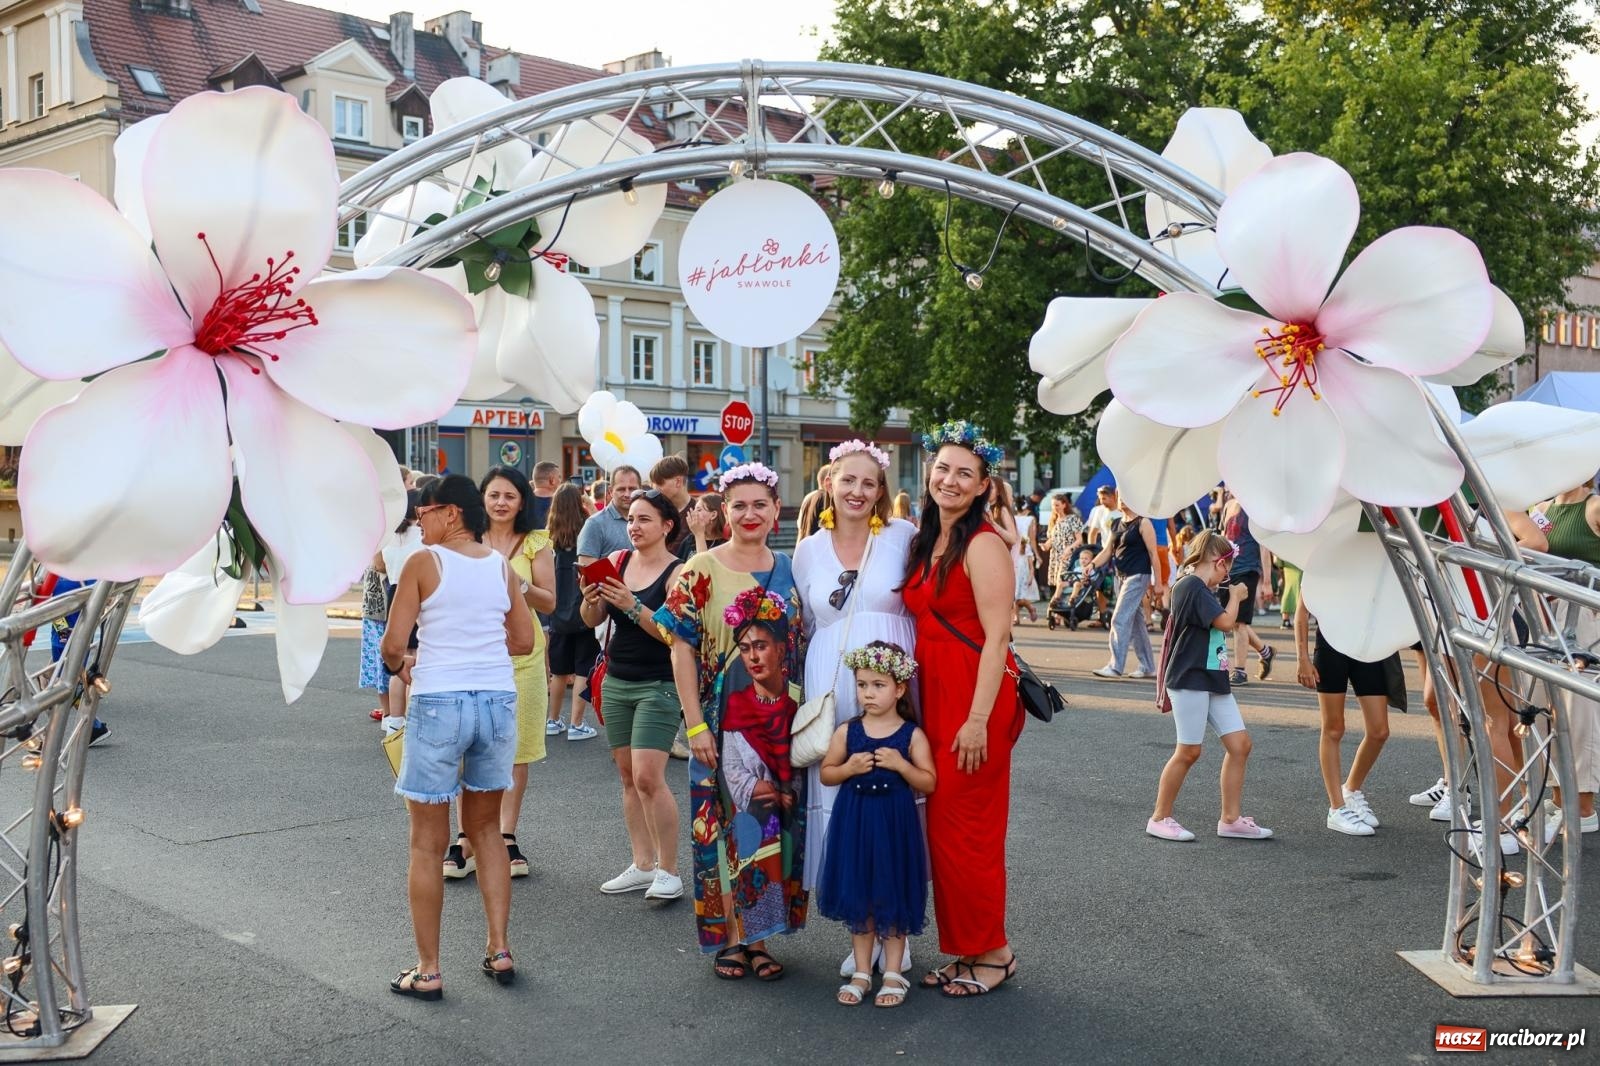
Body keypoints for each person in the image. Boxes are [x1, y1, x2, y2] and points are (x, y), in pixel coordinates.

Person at [381, 474, 535, 998]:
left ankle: (428, 970)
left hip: (439, 700)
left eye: (423, 511)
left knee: (428, 843)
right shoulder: (500, 567)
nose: (417, 519)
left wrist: (405, 663)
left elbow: (391, 643)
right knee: (487, 831)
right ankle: (499, 948)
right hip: (494, 700)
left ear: (450, 513)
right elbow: (523, 638)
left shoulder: (423, 564)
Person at [657, 461, 807, 981]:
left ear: (775, 511)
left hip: (777, 724)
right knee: (726, 827)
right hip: (720, 723)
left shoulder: (790, 568)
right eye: (739, 505)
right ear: (724, 511)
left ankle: (762, 936)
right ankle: (733, 938)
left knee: (770, 827)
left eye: (759, 505)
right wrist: (694, 726)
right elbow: (679, 648)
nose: (750, 514)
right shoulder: (701, 568)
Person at [900, 422, 1020, 998]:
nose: (950, 480)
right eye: (943, 468)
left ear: (981, 486)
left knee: (970, 829)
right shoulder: (929, 538)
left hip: (977, 702)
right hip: (938, 698)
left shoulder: (983, 543)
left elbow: (999, 638)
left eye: (963, 474)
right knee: (945, 830)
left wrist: (976, 719)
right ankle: (969, 945)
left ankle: (994, 952)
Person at [792, 439, 918, 975]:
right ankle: (860, 933)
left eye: (869, 483)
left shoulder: (902, 537)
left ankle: (897, 930)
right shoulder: (806, 550)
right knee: (846, 806)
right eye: (848, 480)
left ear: (881, 490)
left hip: (893, 682)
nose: (858, 492)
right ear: (829, 483)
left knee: (892, 804)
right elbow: (808, 623)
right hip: (832, 679)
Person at [580, 489, 687, 900]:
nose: (635, 527)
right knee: (627, 777)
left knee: (648, 776)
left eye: (644, 519)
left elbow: (672, 634)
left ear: (666, 526)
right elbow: (591, 619)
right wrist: (593, 601)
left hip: (659, 682)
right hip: (616, 679)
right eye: (631, 520)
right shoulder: (619, 562)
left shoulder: (679, 572)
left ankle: (670, 870)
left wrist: (631, 603)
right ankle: (643, 864)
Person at [450, 466, 556, 878]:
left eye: (509, 496)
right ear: (482, 499)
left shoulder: (536, 543)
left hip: (525, 658)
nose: (500, 502)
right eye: (493, 495)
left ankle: (506, 835)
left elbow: (549, 603)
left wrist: (517, 583)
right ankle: (466, 837)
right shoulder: (466, 541)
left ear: (522, 501)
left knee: (517, 750)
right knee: (469, 747)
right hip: (473, 656)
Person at [817, 641, 935, 1009]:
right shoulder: (847, 732)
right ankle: (863, 971)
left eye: (878, 685)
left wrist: (902, 766)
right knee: (860, 897)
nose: (868, 692)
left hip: (894, 828)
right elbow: (826, 774)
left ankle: (894, 972)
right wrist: (848, 768)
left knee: (893, 896)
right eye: (862, 684)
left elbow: (929, 781)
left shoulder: (911, 735)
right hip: (855, 825)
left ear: (899, 689)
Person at [1148, 531, 1272, 843]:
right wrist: (1235, 597)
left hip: (1211, 677)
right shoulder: (1190, 585)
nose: (1228, 575)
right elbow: (1226, 623)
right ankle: (1159, 817)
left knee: (1240, 745)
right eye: (1227, 568)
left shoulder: (1198, 587)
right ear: (1217, 562)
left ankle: (1230, 819)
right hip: (1190, 677)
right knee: (1188, 751)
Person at [1532, 483, 1600, 833]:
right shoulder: (1541, 508)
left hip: (1586, 620)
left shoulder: (1594, 507)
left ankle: (1583, 808)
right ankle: (1561, 801)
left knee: (1580, 713)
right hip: (1546, 619)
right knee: (1547, 710)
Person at [1294, 599, 1393, 836]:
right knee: (1333, 728)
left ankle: (1350, 789)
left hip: (1368, 647)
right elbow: (1301, 613)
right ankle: (1336, 808)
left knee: (1380, 731)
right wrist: (1302, 658)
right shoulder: (1321, 563)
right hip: (1331, 647)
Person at [545, 484, 601, 741]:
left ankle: (552, 719)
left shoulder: (550, 538)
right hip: (583, 608)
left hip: (557, 612)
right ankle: (577, 724)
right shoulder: (586, 534)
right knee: (582, 670)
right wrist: (591, 508)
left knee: (558, 671)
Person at [1091, 497, 1163, 679]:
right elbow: (1107, 551)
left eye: (1127, 496)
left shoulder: (1143, 522)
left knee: (1119, 619)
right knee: (1137, 623)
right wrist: (1091, 565)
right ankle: (1147, 667)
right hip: (1120, 577)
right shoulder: (1116, 523)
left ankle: (1115, 666)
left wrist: (1159, 583)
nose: (1123, 500)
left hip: (1138, 575)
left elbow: (1154, 554)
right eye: (1121, 496)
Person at [1219, 491, 1276, 683]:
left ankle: (1240, 671)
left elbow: (1264, 547)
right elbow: (1222, 538)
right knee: (1231, 620)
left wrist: (1266, 582)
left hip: (1248, 569)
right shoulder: (1228, 505)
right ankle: (1265, 652)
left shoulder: (1254, 507)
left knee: (1240, 622)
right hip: (1228, 571)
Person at [578, 466, 643, 564]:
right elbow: (587, 573)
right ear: (610, 491)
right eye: (621, 489)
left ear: (640, 490)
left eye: (632, 489)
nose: (627, 494)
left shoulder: (649, 521)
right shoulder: (595, 524)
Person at [648, 454, 696, 560]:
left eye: (660, 483)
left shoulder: (699, 511)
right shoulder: (656, 511)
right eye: (653, 484)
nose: (655, 489)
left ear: (678, 482)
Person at [1045, 492, 1084, 607]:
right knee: (1055, 583)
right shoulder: (1053, 520)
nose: (1054, 508)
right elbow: (1052, 539)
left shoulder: (1072, 519)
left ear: (1064, 505)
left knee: (1061, 581)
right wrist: (1046, 545)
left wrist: (1069, 548)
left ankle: (1057, 607)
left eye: (1057, 505)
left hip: (1067, 555)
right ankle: (1058, 611)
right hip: (1055, 556)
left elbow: (1079, 539)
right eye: (1053, 505)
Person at [1012, 495, 1040, 624]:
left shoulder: (1014, 518)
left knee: (1018, 588)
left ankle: (1028, 608)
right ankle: (1016, 615)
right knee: (1014, 589)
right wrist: (1037, 554)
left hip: (1020, 553)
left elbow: (1028, 540)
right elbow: (1032, 539)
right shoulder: (1030, 519)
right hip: (1019, 552)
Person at [796, 463, 833, 542]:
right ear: (827, 481)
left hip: (805, 543)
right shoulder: (826, 498)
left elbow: (800, 528)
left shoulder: (808, 497)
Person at [529, 460, 561, 530]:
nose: (560, 481)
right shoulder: (562, 505)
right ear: (552, 480)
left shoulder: (522, 503)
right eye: (559, 477)